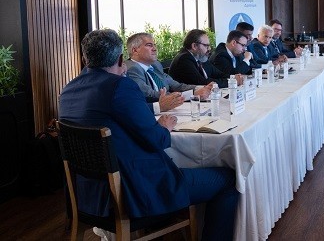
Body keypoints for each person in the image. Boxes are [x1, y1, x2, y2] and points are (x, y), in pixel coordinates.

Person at [59, 29, 238, 240]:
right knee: (230, 179)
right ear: (120, 59)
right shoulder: (121, 86)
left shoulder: (68, 90)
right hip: (133, 191)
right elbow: (157, 140)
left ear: (84, 59)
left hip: (88, 193)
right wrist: (164, 127)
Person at [125, 32, 212, 113]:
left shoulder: (155, 65)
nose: (154, 49)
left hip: (169, 110)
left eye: (154, 45)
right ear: (135, 50)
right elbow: (150, 95)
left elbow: (177, 86)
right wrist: (191, 94)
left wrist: (202, 88)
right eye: (149, 45)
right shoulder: (132, 69)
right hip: (151, 113)